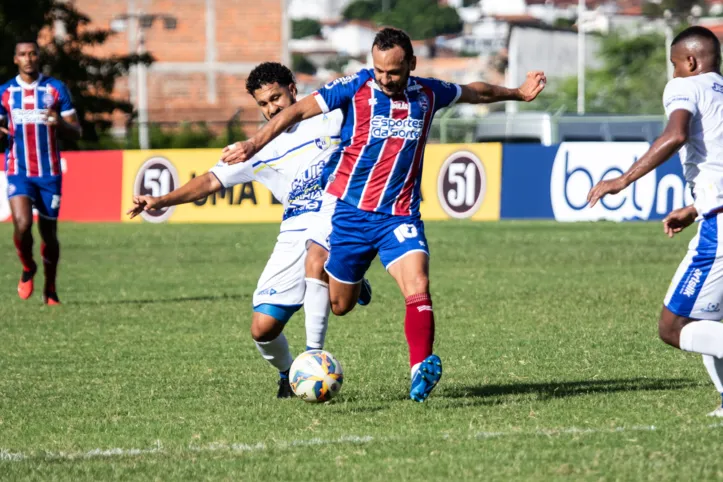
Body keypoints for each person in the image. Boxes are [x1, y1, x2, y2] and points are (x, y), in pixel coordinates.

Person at [221, 27, 546, 402]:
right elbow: (296, 109)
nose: (385, 78)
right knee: (339, 305)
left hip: (399, 216)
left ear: (411, 64)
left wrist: (517, 93)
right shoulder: (355, 88)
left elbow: (475, 92)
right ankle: (358, 284)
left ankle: (419, 369)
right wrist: (253, 142)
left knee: (418, 285)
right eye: (379, 70)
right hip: (350, 216)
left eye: (393, 71)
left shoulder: (427, 93)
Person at [127, 62, 370, 398]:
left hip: (336, 214)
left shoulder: (331, 119)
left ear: (293, 90)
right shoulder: (258, 147)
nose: (272, 109)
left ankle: (316, 351)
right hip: (293, 228)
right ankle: (290, 373)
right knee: (263, 328)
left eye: (276, 98)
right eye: (264, 104)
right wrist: (163, 200)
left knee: (320, 255)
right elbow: (211, 180)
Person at [587, 26, 723, 416]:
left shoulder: (686, 86)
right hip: (711, 211)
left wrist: (623, 179)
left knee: (674, 327)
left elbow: (676, 133)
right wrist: (695, 207)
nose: (673, 72)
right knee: (706, 320)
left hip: (720, 229)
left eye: (674, 64)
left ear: (691, 62)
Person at [0, 38, 81, 305]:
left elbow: (76, 130)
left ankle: (50, 288)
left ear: (39, 57)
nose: (29, 58)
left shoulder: (55, 89)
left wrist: (59, 123)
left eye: (33, 53)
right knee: (22, 225)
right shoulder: (5, 92)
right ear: (16, 59)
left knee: (49, 234)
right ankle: (27, 267)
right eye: (23, 54)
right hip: (17, 170)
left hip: (49, 174)